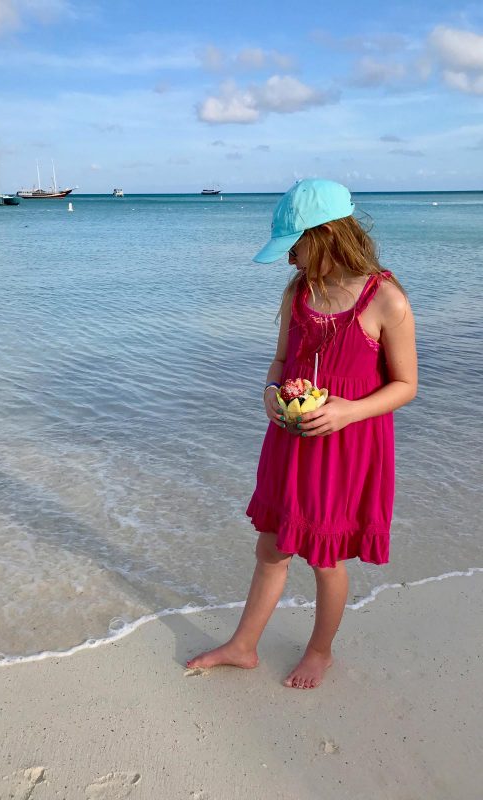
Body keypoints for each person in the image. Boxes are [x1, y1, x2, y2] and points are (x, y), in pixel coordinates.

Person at [187, 179, 418, 689]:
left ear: (326, 236)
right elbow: (279, 361)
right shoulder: (300, 293)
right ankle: (243, 645)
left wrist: (348, 412)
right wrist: (271, 392)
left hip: (347, 445)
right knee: (271, 547)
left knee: (325, 557)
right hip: (291, 440)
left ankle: (320, 650)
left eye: (294, 247)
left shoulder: (388, 301)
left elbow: (406, 385)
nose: (290, 260)